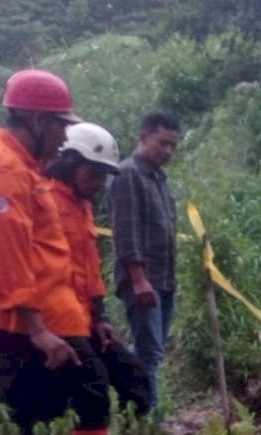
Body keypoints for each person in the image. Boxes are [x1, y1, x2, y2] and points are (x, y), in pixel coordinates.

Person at [0, 69, 138, 435]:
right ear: (37, 120)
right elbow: (7, 251)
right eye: (60, 126)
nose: (62, 137)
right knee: (23, 418)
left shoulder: (22, 166)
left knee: (67, 399)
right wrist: (36, 328)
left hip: (45, 311)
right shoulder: (4, 167)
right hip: (14, 317)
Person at [41, 121, 153, 419]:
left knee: (134, 377)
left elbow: (90, 268)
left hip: (84, 317)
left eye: (102, 175)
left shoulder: (83, 207)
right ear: (69, 164)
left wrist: (100, 316)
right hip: (54, 320)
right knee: (91, 391)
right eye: (93, 173)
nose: (98, 182)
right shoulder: (43, 200)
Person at [109, 111, 181, 411]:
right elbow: (126, 232)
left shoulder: (158, 178)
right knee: (149, 354)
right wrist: (138, 280)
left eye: (172, 145)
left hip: (163, 279)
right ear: (143, 137)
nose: (168, 151)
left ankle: (138, 413)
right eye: (162, 143)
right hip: (144, 282)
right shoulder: (128, 175)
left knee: (152, 351)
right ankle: (148, 422)